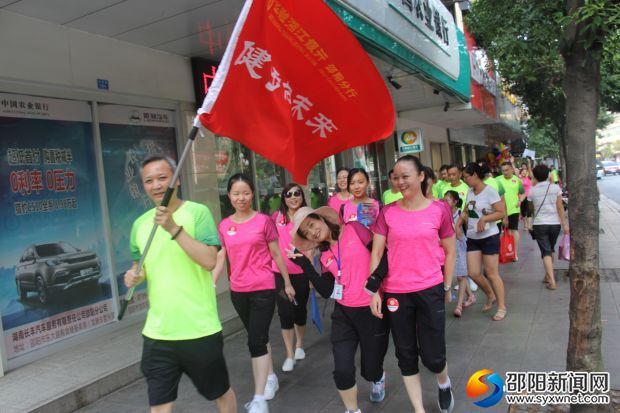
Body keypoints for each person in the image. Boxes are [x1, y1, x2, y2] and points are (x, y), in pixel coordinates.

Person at [124, 155, 237, 413]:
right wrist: (133, 276)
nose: (156, 186)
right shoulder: (140, 225)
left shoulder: (198, 213)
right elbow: (138, 266)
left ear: (176, 181)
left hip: (199, 329)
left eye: (162, 178)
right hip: (158, 333)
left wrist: (174, 228)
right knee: (159, 405)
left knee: (220, 393)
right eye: (149, 181)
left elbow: (210, 260)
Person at [368, 155, 457, 413]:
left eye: (405, 176)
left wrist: (447, 286)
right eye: (396, 177)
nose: (400, 181)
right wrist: (375, 290)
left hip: (430, 288)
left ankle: (443, 383)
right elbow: (376, 253)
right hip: (397, 292)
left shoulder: (438, 210)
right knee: (405, 354)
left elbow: (450, 251)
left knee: (433, 355)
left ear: (421, 177)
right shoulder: (388, 212)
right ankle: (418, 409)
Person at [289, 206, 389, 413]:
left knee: (370, 368)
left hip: (370, 309)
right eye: (307, 233)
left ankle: (377, 377)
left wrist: (376, 284)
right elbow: (327, 291)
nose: (312, 232)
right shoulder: (324, 254)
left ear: (321, 218)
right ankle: (352, 410)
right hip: (344, 314)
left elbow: (382, 254)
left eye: (311, 225)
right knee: (342, 369)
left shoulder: (354, 229)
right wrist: (306, 266)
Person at [212, 173, 295, 413]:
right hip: (238, 290)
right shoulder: (225, 226)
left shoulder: (263, 221)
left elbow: (277, 254)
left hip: (263, 287)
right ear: (228, 196)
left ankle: (259, 398)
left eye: (245, 193)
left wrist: (287, 282)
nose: (241, 198)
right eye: (236, 193)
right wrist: (211, 286)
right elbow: (221, 257)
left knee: (254, 339)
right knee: (257, 335)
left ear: (252, 194)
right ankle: (270, 376)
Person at [457, 163, 507, 321]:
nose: (465, 180)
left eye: (466, 177)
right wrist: (458, 224)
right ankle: (490, 294)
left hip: (489, 237)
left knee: (492, 274)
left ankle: (501, 307)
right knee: (473, 273)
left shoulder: (490, 192)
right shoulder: (470, 192)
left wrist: (485, 219)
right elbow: (466, 211)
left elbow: (501, 213)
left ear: (475, 175)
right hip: (473, 237)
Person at [272, 183, 311, 372]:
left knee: (299, 310)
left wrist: (312, 274)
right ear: (283, 198)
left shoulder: (307, 217)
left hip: (301, 272)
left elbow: (312, 245)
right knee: (285, 312)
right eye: (288, 194)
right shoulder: (276, 217)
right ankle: (288, 354)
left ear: (302, 196)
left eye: (297, 193)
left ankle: (299, 345)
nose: (293, 197)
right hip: (279, 272)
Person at [528, 164, 569, 290]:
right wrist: (565, 224)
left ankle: (552, 281)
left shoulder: (532, 190)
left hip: (540, 224)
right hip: (555, 224)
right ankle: (547, 275)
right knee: (551, 249)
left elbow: (530, 210)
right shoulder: (555, 188)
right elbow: (560, 207)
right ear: (548, 175)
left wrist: (530, 223)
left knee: (545, 252)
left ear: (535, 176)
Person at [444, 190, 476, 317]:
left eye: (448, 200)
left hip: (461, 246)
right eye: (444, 199)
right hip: (449, 248)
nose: (445, 202)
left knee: (461, 277)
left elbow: (470, 227)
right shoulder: (444, 214)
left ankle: (459, 306)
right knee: (462, 275)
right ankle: (471, 296)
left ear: (455, 202)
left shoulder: (461, 214)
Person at [496, 161, 525, 260]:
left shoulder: (517, 180)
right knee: (500, 232)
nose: (505, 172)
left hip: (513, 210)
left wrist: (520, 200)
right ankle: (501, 253)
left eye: (507, 170)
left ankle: (514, 254)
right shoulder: (497, 180)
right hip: (499, 210)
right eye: (503, 170)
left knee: (513, 230)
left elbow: (523, 193)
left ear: (512, 169)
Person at [519, 166, 533, 231]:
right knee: (523, 211)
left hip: (529, 196)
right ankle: (525, 225)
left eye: (525, 172)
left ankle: (529, 225)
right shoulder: (519, 179)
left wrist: (529, 164)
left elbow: (530, 171)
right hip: (521, 197)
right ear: (521, 173)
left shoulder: (529, 178)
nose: (524, 173)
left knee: (529, 211)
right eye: (523, 172)